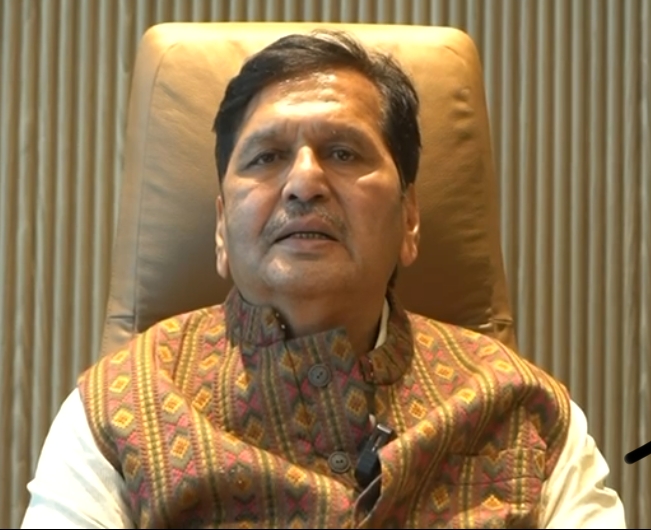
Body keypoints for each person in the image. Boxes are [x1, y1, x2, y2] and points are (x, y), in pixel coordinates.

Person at [21, 30, 626, 529]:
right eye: (266, 157)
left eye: (343, 153)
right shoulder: (118, 410)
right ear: (221, 228)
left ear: (409, 219)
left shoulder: (527, 412)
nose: (304, 182)